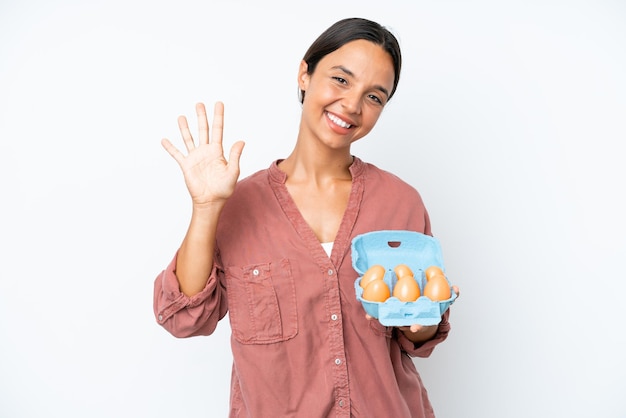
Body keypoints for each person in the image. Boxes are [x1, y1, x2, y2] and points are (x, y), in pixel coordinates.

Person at [154, 17, 459, 418]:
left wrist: (419, 320)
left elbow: (417, 335)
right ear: (304, 74)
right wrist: (207, 208)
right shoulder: (240, 204)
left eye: (374, 97)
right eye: (341, 80)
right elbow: (183, 317)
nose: (351, 105)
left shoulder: (400, 203)